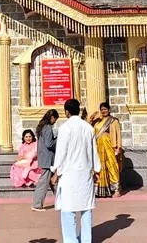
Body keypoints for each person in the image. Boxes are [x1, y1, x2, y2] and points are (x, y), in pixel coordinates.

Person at [51, 98, 99, 243]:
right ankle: (86, 240)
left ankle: (71, 240)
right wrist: (96, 169)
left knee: (68, 209)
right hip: (85, 173)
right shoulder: (88, 128)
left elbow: (61, 152)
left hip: (69, 174)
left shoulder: (65, 128)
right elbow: (93, 151)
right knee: (86, 209)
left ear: (66, 112)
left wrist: (56, 171)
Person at [90, 102, 123, 198]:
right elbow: (89, 128)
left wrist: (118, 147)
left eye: (105, 109)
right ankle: (100, 190)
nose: (103, 111)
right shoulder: (97, 122)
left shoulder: (113, 121)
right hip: (99, 148)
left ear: (109, 109)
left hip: (110, 147)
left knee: (112, 167)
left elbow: (118, 135)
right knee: (100, 168)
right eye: (102, 109)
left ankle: (116, 189)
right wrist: (91, 118)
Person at [31, 108, 59, 211]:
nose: (54, 122)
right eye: (55, 120)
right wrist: (57, 140)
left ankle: (61, 201)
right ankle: (37, 204)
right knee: (44, 182)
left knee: (54, 182)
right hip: (48, 159)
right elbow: (49, 143)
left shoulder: (41, 127)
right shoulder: (47, 128)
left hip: (45, 157)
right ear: (52, 117)